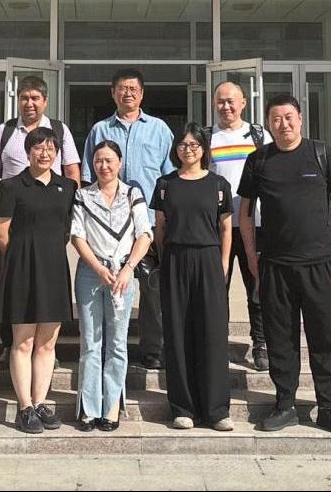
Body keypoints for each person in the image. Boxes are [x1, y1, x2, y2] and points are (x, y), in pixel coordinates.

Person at [237, 94, 331, 437]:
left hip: (321, 265)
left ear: (300, 119)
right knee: (280, 339)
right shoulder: (259, 160)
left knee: (324, 337)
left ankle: (327, 406)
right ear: (268, 124)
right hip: (275, 266)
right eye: (276, 119)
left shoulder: (321, 153)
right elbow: (245, 215)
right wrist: (252, 257)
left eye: (289, 117)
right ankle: (285, 404)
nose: (283, 124)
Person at [81, 68, 175, 370]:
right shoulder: (99, 130)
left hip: (148, 223)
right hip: (107, 226)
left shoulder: (160, 129)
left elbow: (169, 178)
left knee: (152, 287)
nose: (128, 93)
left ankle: (152, 348)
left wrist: (166, 220)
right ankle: (105, 345)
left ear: (142, 93)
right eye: (122, 88)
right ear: (113, 93)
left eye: (133, 88)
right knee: (106, 284)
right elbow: (88, 177)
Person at [0, 127, 78, 434]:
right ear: (28, 152)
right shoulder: (10, 186)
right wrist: (22, 255)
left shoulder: (67, 187)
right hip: (22, 268)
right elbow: (1, 232)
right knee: (24, 341)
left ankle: (41, 402)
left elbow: (66, 230)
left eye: (50, 149)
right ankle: (24, 406)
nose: (45, 153)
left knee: (47, 342)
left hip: (54, 268)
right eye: (38, 148)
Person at [150, 123, 234, 432]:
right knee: (177, 332)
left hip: (209, 259)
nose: (188, 149)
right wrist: (166, 258)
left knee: (213, 332)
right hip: (175, 258)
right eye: (183, 144)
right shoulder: (165, 184)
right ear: (176, 149)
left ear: (203, 149)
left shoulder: (218, 184)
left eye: (194, 144)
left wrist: (223, 264)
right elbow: (160, 227)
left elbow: (226, 228)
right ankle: (182, 407)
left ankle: (216, 410)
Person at [69, 140, 153, 432]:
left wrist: (128, 268)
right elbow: (77, 236)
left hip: (122, 274)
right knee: (91, 342)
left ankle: (112, 406)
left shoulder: (132, 194)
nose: (103, 166)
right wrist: (98, 268)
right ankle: (89, 407)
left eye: (109, 160)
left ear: (119, 163)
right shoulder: (83, 195)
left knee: (117, 342)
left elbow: (144, 234)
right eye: (98, 161)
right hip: (91, 273)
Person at [206, 81, 270, 371]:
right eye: (221, 101)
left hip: (254, 225)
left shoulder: (259, 135)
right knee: (217, 287)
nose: (226, 107)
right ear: (214, 103)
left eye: (231, 101)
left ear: (243, 103)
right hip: (217, 226)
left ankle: (261, 344)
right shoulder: (207, 137)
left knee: (256, 287)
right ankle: (218, 344)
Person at [0, 75, 81, 182]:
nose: (29, 104)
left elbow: (71, 172)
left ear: (45, 101)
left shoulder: (59, 129)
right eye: (24, 98)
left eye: (35, 98)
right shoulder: (4, 130)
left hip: (50, 192)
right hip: (12, 192)